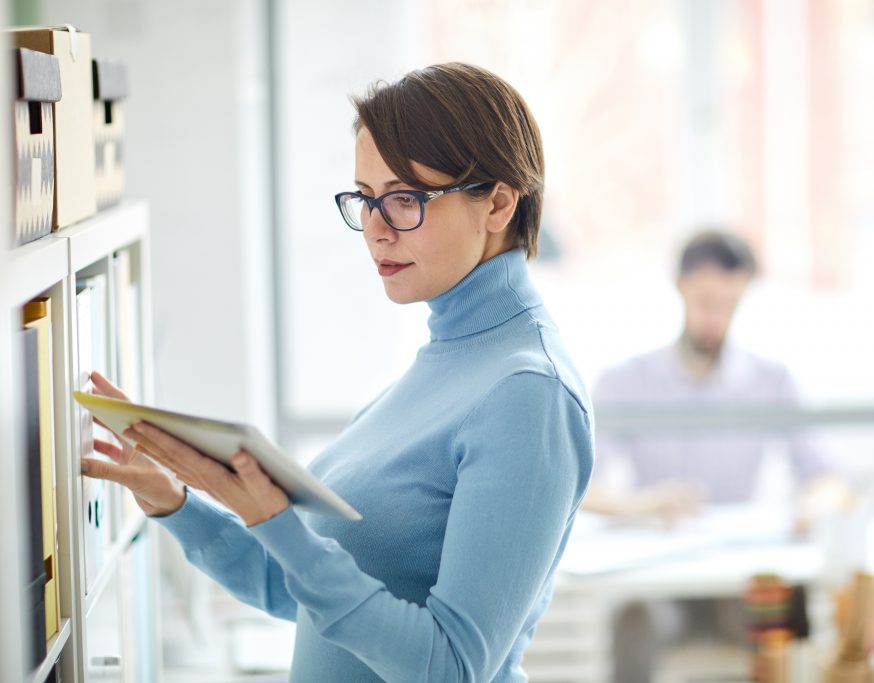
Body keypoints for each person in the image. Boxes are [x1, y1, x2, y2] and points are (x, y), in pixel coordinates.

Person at [81, 63, 594, 683]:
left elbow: (452, 668)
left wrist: (274, 521)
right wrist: (176, 501)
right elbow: (302, 592)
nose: (376, 229)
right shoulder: (435, 367)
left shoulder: (528, 394)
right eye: (365, 198)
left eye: (405, 199)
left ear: (500, 204)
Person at [582, 230, 842, 683]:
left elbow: (828, 477)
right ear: (680, 287)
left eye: (729, 303)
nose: (715, 317)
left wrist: (812, 506)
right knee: (632, 622)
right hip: (658, 579)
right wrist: (642, 505)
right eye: (705, 300)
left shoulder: (770, 380)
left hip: (739, 580)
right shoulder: (627, 381)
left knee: (788, 615)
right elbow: (576, 484)